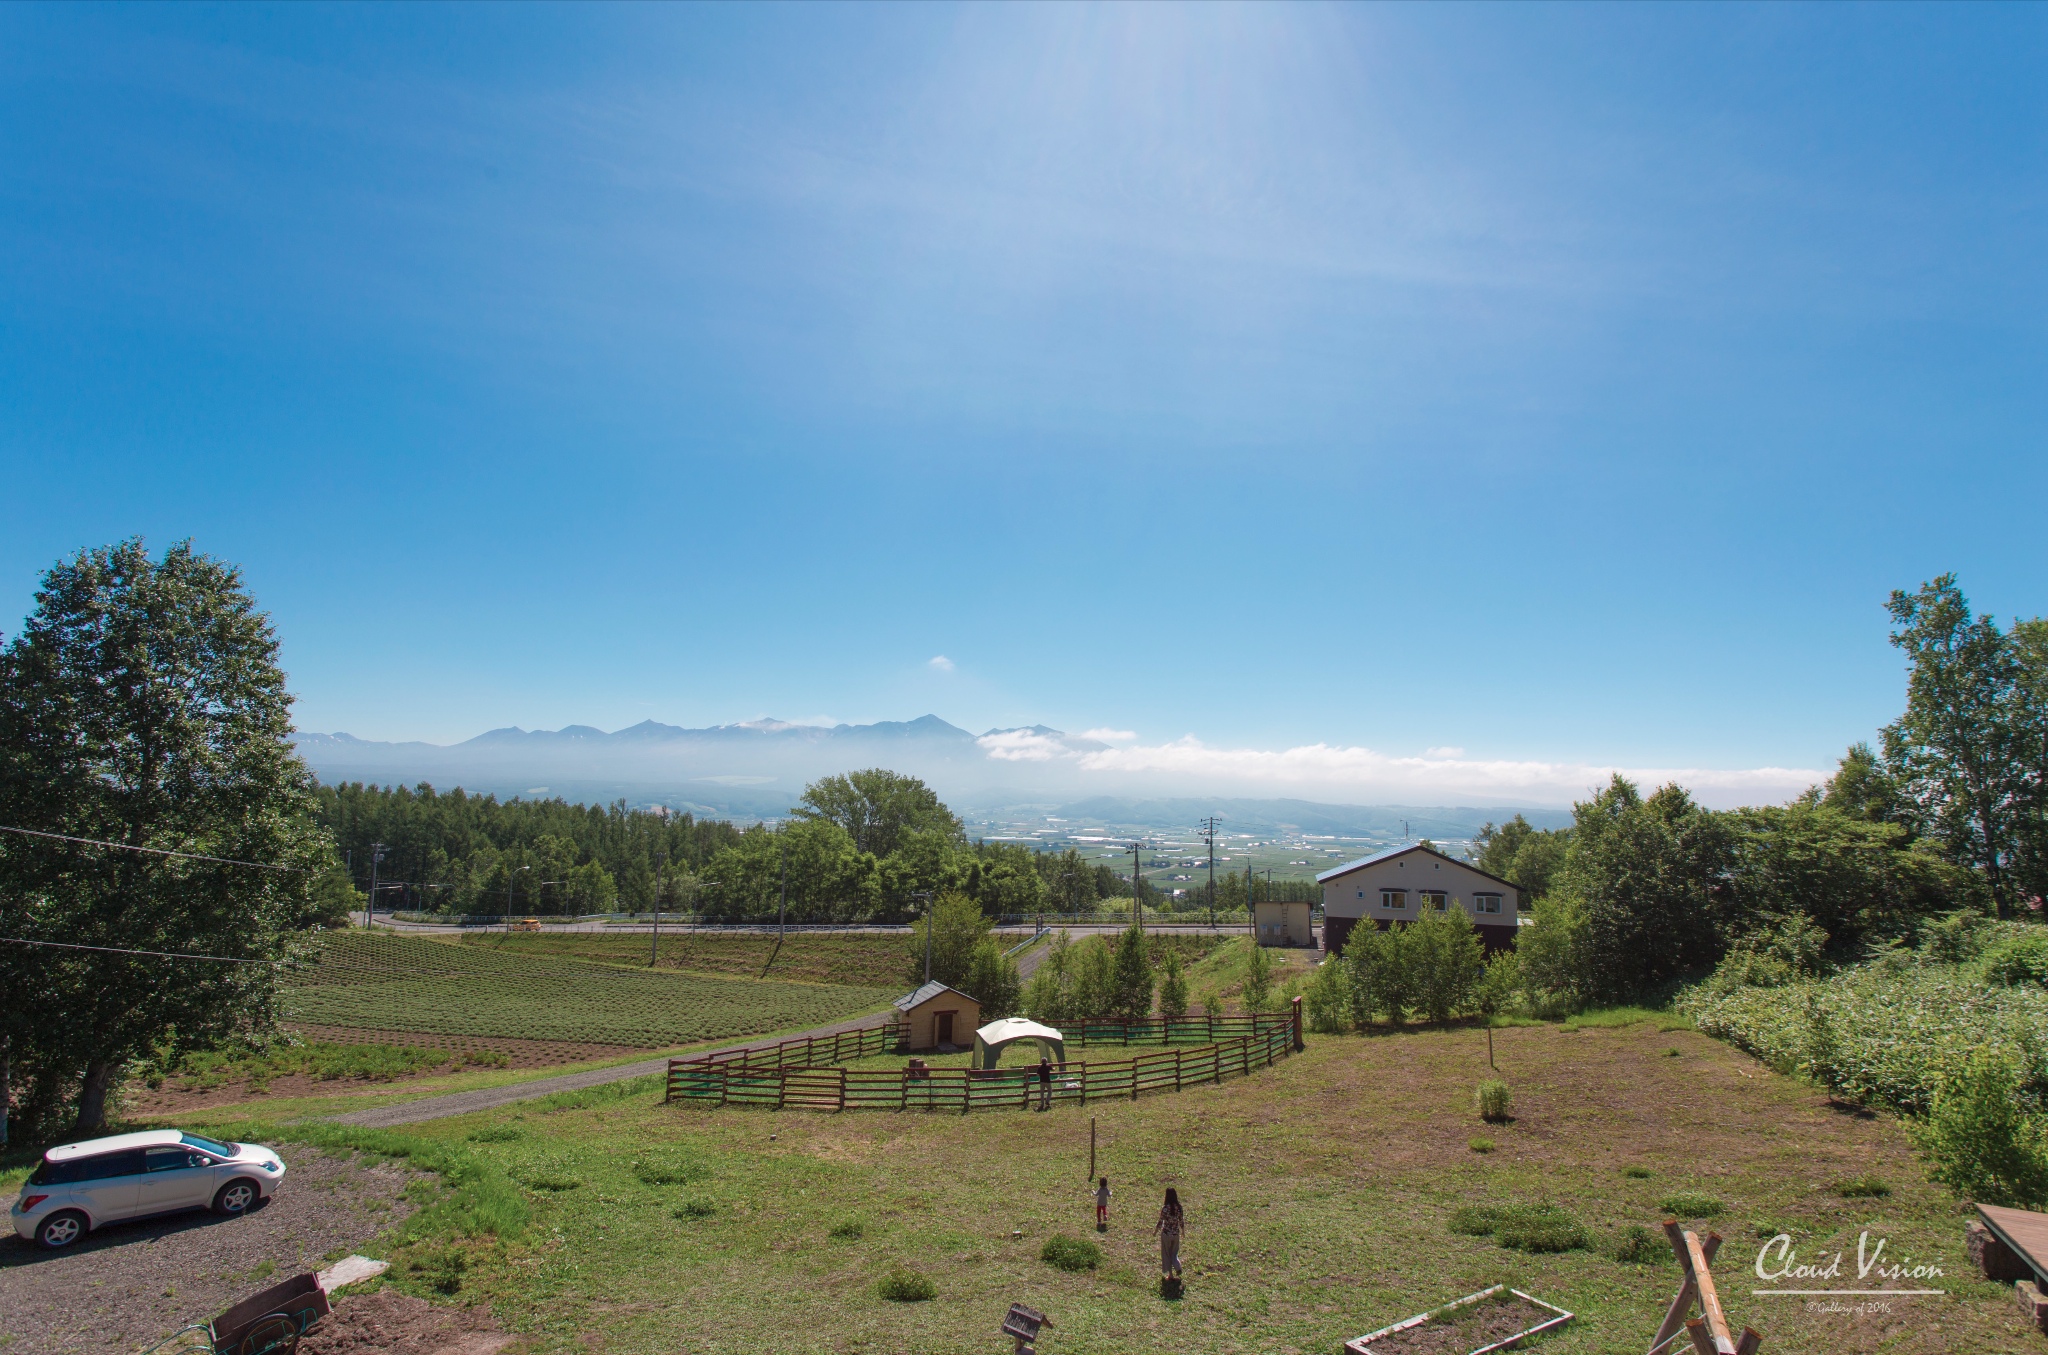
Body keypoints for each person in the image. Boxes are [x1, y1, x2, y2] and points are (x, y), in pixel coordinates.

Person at [1153, 1187, 1185, 1278]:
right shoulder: (1179, 1208)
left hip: (1166, 1234)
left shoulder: (1165, 1208)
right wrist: (1183, 1231)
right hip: (1175, 1234)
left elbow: (1160, 1221)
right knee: (1174, 1253)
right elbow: (1181, 1221)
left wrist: (1155, 1231)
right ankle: (1178, 1266)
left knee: (1167, 1254)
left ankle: (1170, 1275)